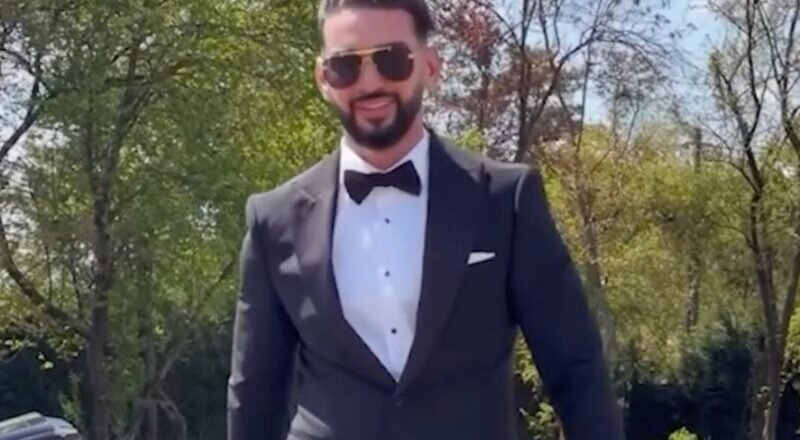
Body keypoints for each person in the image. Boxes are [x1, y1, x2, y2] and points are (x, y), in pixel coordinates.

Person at [226, 0, 625, 439]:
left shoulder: (505, 200)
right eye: (346, 66)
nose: (370, 82)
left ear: (430, 67)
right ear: (323, 79)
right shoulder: (274, 220)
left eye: (391, 59)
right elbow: (255, 395)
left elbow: (576, 369)